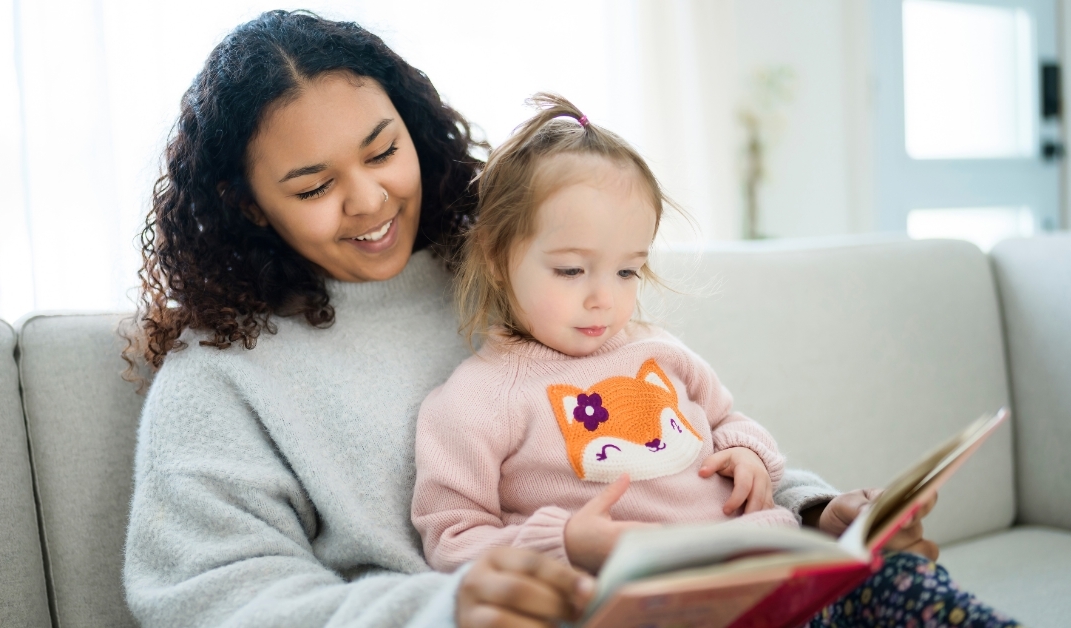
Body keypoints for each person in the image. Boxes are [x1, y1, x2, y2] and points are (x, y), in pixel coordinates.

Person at [122, 10, 1018, 627]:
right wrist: (454, 610)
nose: (369, 200)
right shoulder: (222, 375)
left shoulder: (514, 267)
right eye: (312, 186)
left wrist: (814, 508)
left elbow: (678, 433)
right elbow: (212, 601)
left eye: (383, 149)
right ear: (246, 206)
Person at [412, 94, 797, 577]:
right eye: (572, 270)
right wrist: (564, 543)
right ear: (494, 256)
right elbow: (452, 540)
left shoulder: (656, 348)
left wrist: (746, 452)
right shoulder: (477, 399)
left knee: (906, 584)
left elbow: (726, 420)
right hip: (636, 593)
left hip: (755, 557)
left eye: (627, 272)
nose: (604, 299)